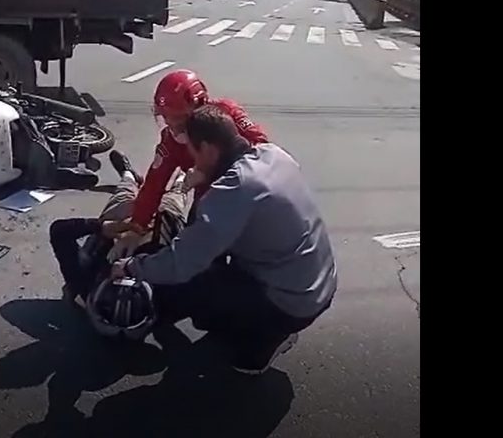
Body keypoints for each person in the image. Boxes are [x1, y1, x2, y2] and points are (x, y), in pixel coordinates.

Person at [111, 104, 338, 375]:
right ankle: (255, 324)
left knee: (200, 294)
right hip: (319, 283)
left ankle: (264, 342)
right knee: (215, 270)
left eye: (194, 153)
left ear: (208, 149)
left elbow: (183, 261)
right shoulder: (273, 154)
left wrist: (131, 267)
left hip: (293, 301)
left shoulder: (234, 190)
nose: (193, 162)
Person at [108, 69, 270, 253]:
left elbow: (262, 150)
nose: (173, 126)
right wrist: (136, 228)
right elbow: (154, 184)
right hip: (206, 196)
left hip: (244, 195)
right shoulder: (170, 141)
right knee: (196, 245)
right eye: (166, 117)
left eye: (179, 119)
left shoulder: (226, 113)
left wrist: (210, 174)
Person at [48, 151, 189, 302]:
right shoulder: (173, 298)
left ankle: (128, 175)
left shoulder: (85, 283)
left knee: (124, 195)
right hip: (164, 229)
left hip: (118, 228)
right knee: (174, 196)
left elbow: (59, 231)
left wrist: (101, 227)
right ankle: (180, 176)